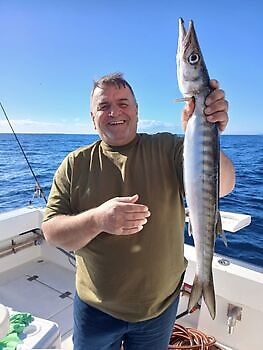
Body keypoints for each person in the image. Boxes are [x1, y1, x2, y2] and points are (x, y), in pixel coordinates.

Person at [42, 73, 235, 350]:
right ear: (91, 116)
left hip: (159, 310)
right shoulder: (74, 165)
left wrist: (206, 129)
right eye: (103, 105)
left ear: (136, 110)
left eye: (123, 103)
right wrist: (98, 220)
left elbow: (223, 185)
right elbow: (51, 231)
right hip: (95, 310)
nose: (114, 112)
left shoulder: (169, 148)